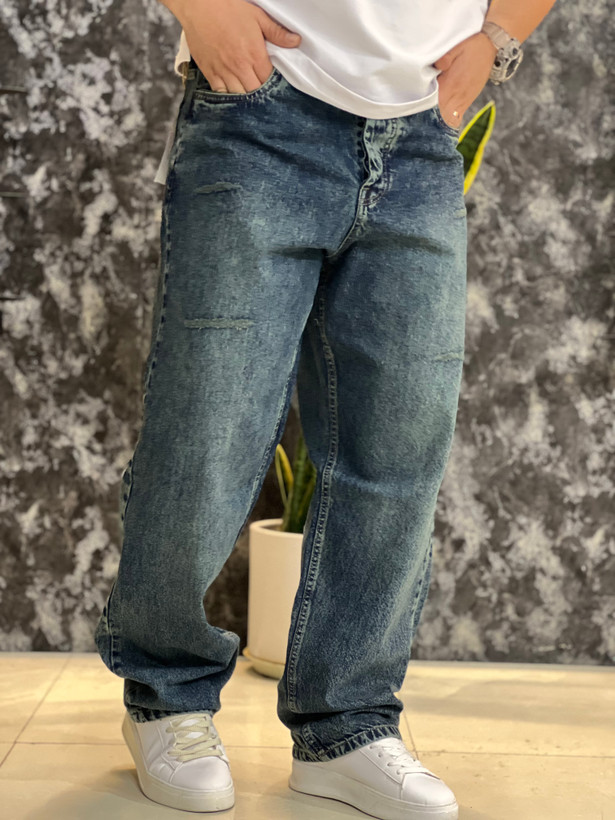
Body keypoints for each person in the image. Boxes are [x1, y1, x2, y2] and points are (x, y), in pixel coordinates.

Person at [94, 1, 558, 817]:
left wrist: (495, 41)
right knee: (208, 434)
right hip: (259, 113)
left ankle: (347, 727)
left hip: (418, 136)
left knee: (396, 451)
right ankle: (167, 700)